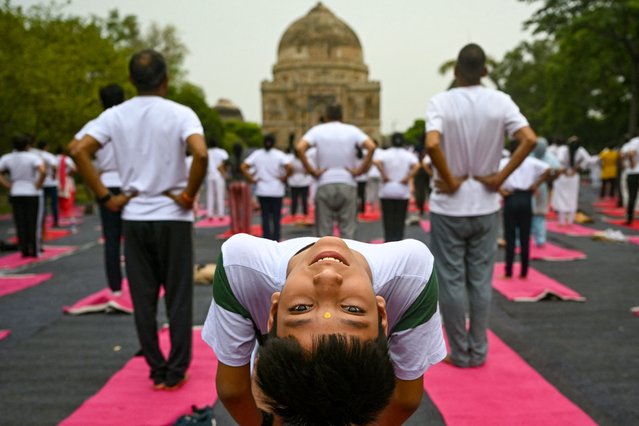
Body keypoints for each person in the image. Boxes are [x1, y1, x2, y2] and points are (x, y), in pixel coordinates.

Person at [70, 49, 208, 390]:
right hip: (172, 214)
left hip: (134, 214)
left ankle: (156, 367)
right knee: (177, 295)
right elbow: (201, 153)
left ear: (131, 80)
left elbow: (77, 150)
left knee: (143, 298)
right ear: (167, 79)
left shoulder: (115, 116)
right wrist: (189, 195)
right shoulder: (180, 113)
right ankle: (176, 369)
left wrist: (105, 196)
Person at [202, 234, 445, 425]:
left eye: (300, 308)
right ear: (383, 315)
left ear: (273, 312)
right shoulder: (413, 274)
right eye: (352, 310)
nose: (328, 276)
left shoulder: (241, 264)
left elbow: (233, 390)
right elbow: (406, 398)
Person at [425, 43, 537, 368]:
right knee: (480, 280)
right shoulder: (500, 101)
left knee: (451, 279)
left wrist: (451, 178)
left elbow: (432, 143)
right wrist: (500, 177)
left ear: (456, 71)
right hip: (486, 204)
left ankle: (460, 352)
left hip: (449, 205)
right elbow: (528, 138)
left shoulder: (440, 102)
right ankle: (479, 349)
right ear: (485, 71)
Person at [71, 84, 126, 294]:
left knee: (111, 239)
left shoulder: (95, 124)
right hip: (130, 183)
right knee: (136, 240)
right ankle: (141, 286)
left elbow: (74, 147)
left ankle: (115, 288)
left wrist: (92, 171)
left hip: (106, 181)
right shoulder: (130, 120)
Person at [296, 104, 376, 239]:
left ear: (325, 116)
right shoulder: (352, 130)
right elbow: (371, 146)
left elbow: (300, 147)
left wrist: (312, 171)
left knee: (324, 234)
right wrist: (359, 170)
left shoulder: (317, 130)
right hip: (348, 182)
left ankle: (325, 259)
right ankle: (346, 259)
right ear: (342, 116)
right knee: (348, 232)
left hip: (325, 182)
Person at [499, 141, 550, 278]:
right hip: (526, 197)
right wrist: (536, 184)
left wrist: (500, 190)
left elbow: (492, 177)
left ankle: (509, 271)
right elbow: (548, 169)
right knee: (524, 237)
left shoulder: (504, 162)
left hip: (510, 197)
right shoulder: (530, 161)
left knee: (510, 237)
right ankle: (524, 271)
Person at [0, 134, 46, 257]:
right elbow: (43, 171)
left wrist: (8, 185)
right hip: (31, 191)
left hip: (16, 191)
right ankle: (35, 249)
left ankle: (24, 249)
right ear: (27, 145)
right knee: (33, 221)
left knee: (20, 222)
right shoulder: (32, 157)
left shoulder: (7, 158)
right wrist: (38, 184)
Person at [241, 134, 291, 241]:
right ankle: (276, 238)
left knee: (265, 216)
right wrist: (284, 177)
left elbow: (243, 166)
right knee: (276, 217)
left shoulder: (257, 154)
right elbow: (290, 167)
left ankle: (267, 239)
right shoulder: (279, 154)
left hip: (262, 190)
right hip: (277, 190)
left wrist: (251, 179)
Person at [374, 132, 420, 241]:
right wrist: (408, 177)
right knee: (400, 219)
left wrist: (384, 174)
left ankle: (388, 240)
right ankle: (398, 240)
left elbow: (376, 161)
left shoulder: (386, 153)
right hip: (402, 191)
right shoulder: (407, 154)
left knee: (388, 220)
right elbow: (417, 165)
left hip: (387, 190)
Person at [551, 136, 591, 226]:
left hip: (563, 175)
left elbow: (558, 162)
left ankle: (561, 221)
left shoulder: (563, 150)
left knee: (561, 198)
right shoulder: (581, 150)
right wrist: (578, 168)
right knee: (572, 198)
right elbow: (589, 160)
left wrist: (564, 171)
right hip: (573, 176)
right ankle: (570, 221)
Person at [530, 137, 560, 247]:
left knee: (530, 214)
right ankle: (540, 239)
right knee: (540, 214)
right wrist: (550, 179)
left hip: (530, 186)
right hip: (541, 186)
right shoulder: (549, 156)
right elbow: (558, 169)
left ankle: (524, 239)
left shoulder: (529, 155)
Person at [221, 142, 252, 235]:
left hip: (233, 183)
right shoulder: (245, 158)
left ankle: (235, 229)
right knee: (246, 208)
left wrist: (226, 176)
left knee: (234, 208)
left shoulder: (230, 158)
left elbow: (220, 167)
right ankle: (245, 229)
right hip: (243, 183)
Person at [35, 140, 60, 228]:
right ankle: (56, 221)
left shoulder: (34, 155)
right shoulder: (49, 156)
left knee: (42, 204)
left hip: (40, 182)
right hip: (51, 182)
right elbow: (54, 166)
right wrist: (53, 174)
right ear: (46, 147)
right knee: (54, 203)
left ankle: (43, 223)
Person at [286, 145, 314, 221]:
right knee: (295, 199)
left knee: (302, 199)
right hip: (296, 181)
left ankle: (303, 213)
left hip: (302, 181)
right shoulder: (291, 159)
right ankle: (294, 214)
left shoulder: (306, 159)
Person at [204, 136, 229, 221]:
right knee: (220, 195)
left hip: (210, 175)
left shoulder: (207, 152)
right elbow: (226, 163)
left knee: (210, 195)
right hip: (219, 176)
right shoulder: (222, 152)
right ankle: (221, 214)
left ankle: (210, 214)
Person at [623, 132, 639, 224]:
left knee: (632, 195)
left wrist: (632, 163)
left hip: (634, 172)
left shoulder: (635, 141)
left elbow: (630, 153)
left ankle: (630, 218)